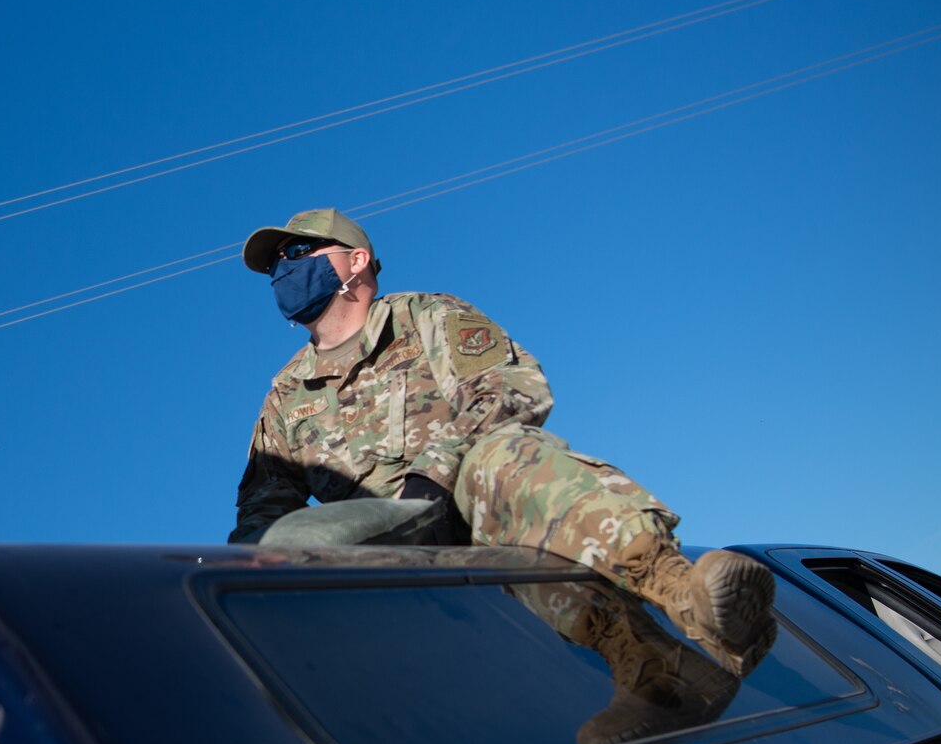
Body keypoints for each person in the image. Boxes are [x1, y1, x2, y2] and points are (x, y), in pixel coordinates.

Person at [232, 206, 777, 676]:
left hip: (478, 522)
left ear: (356, 260)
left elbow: (509, 388)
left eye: (299, 250)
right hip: (383, 572)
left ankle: (681, 594)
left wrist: (431, 481)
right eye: (276, 263)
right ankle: (664, 680)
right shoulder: (286, 394)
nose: (285, 268)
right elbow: (263, 505)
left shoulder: (425, 318)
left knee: (502, 453)